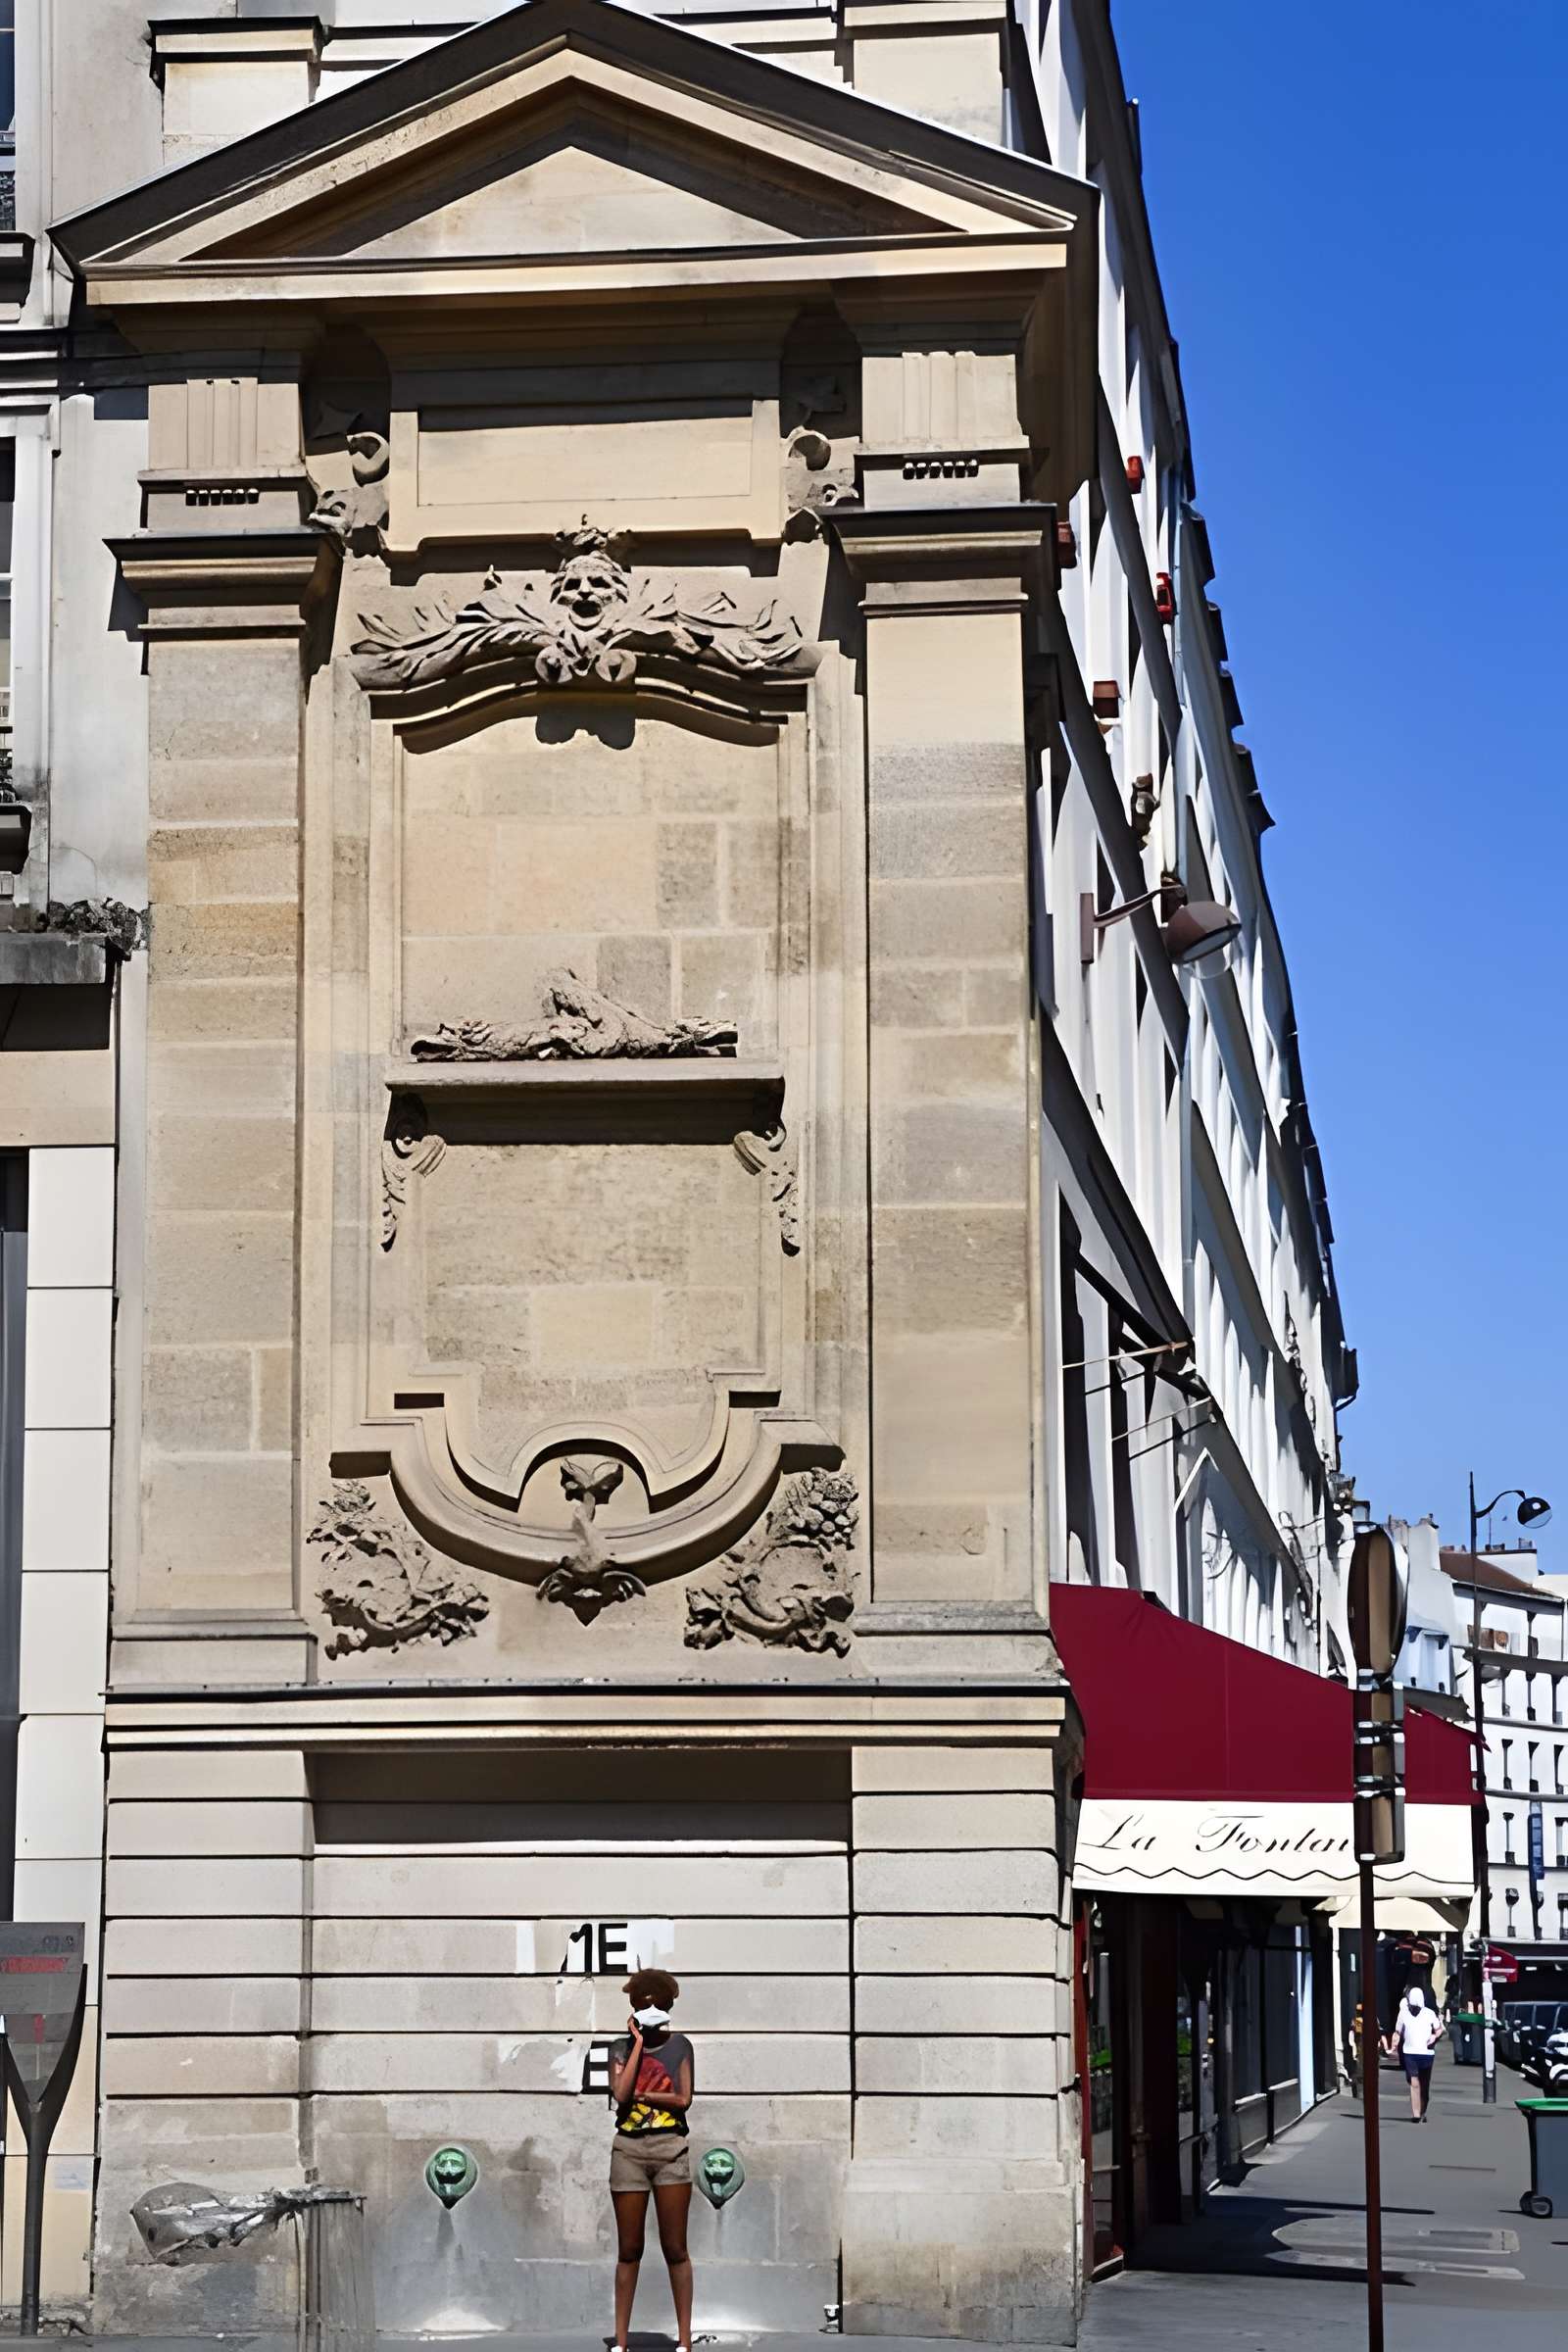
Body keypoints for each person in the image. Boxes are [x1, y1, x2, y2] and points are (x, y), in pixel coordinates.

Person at [607, 1969, 695, 2352]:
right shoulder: (620, 2048)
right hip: (628, 2150)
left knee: (675, 2248)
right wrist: (638, 2043)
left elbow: (683, 2100)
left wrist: (647, 2097)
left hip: (670, 2148)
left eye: (660, 2003)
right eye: (646, 2004)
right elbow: (621, 2095)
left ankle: (685, 2340)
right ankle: (621, 2342)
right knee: (629, 2250)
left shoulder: (680, 2046)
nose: (653, 2009)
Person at [1387, 1984, 1444, 2121]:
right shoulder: (1404, 2013)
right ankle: (1416, 2114)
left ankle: (1422, 2111)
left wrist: (1434, 2036)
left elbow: (1439, 2029)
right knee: (1414, 2082)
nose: (1414, 2009)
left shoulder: (1429, 2014)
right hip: (1409, 2052)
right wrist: (1395, 2042)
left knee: (1424, 2084)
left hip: (1426, 2053)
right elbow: (1398, 2031)